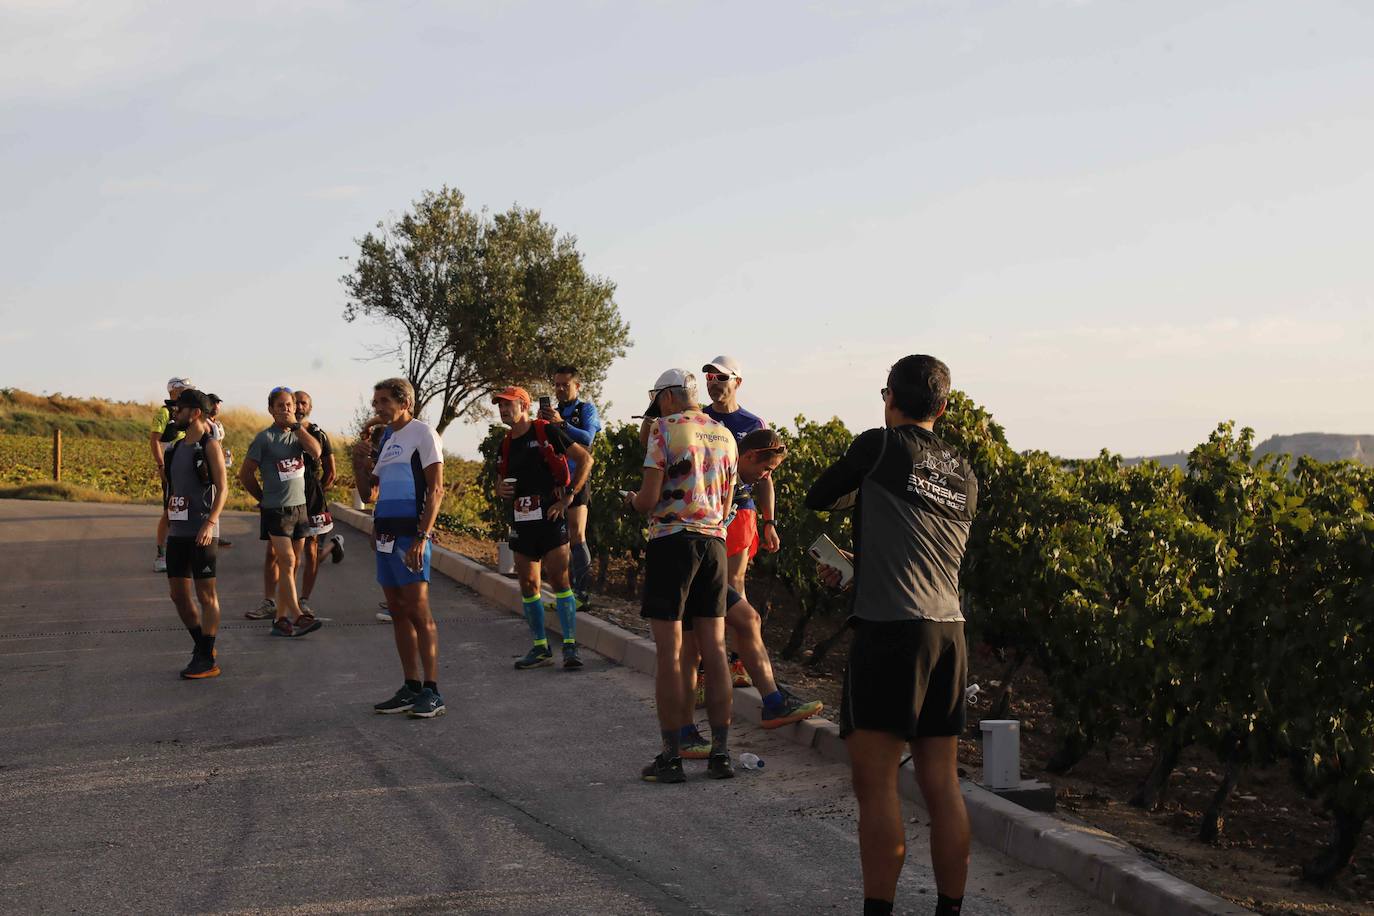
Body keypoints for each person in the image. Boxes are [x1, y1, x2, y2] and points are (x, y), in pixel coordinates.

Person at [804, 355, 978, 916]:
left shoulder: (878, 446)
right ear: (943, 407)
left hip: (889, 632)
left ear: (889, 398)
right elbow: (923, 549)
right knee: (942, 785)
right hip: (948, 634)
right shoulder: (964, 472)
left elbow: (818, 495)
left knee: (876, 787)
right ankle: (949, 910)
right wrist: (867, 559)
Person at [674, 429, 824, 759]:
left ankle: (771, 703)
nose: (766, 477)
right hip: (691, 567)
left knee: (746, 621)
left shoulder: (740, 482)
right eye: (766, 470)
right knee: (693, 651)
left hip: (704, 569)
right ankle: (684, 735)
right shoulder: (721, 473)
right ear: (750, 456)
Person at [626, 369, 738, 783]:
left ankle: (671, 756)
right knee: (715, 649)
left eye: (657, 400)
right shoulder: (724, 434)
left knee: (671, 654)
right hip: (714, 543)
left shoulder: (664, 429)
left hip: (672, 541)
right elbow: (727, 500)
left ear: (669, 398)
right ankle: (721, 754)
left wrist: (632, 501)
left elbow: (649, 498)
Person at [355, 377, 446, 719]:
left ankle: (433, 691)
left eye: (382, 400)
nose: (376, 407)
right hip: (385, 535)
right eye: (375, 401)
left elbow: (436, 490)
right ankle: (411, 686)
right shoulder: (388, 438)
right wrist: (359, 462)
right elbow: (369, 495)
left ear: (403, 402)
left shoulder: (423, 434)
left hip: (411, 535)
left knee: (419, 611)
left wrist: (423, 537)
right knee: (396, 610)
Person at [494, 386, 594, 670]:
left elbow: (585, 459)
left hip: (550, 519)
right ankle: (540, 647)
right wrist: (500, 488)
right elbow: (501, 481)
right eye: (499, 405)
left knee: (561, 582)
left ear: (524, 405)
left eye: (507, 404)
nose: (502, 409)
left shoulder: (545, 431)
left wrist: (569, 496)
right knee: (528, 585)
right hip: (522, 523)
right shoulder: (505, 443)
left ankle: (571, 646)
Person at [701, 356, 779, 689]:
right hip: (705, 512)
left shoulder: (753, 422)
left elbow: (765, 477)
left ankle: (736, 661)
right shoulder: (699, 418)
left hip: (742, 510)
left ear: (737, 382)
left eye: (721, 377)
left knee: (734, 582)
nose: (714, 382)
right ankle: (707, 662)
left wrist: (769, 521)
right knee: (708, 587)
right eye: (709, 376)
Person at [239, 386, 324, 638]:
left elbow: (317, 452)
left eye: (290, 405)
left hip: (300, 508)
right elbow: (245, 474)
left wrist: (297, 427)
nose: (287, 409)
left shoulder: (300, 435)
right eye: (281, 406)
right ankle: (298, 616)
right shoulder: (264, 438)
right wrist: (263, 498)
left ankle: (280, 620)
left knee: (292, 566)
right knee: (286, 561)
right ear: (271, 410)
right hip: (276, 509)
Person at [162, 388, 228, 679]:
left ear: (195, 413)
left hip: (203, 531)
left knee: (206, 594)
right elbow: (173, 490)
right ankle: (202, 646)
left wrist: (210, 523)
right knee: (178, 595)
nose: (175, 413)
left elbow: (223, 489)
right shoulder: (173, 449)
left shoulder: (209, 445)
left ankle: (206, 657)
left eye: (180, 409)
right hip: (178, 531)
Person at [538, 366, 602, 608]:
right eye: (556, 385)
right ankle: (564, 595)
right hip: (554, 482)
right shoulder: (553, 411)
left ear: (577, 386)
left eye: (565, 384)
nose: (560, 389)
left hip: (577, 480)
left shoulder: (586, 409)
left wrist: (561, 423)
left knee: (577, 536)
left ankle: (582, 595)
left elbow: (588, 438)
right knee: (557, 541)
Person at [294, 390, 346, 617]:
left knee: (311, 550)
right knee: (288, 552)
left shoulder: (318, 434)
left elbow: (331, 473)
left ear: (310, 408)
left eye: (303, 403)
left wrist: (316, 491)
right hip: (288, 498)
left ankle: (304, 599)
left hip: (313, 497)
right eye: (294, 402)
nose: (298, 406)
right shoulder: (280, 432)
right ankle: (284, 598)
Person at [150, 377, 192, 571]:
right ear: (173, 391)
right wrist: (161, 467)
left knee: (186, 509)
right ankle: (160, 556)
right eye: (183, 389)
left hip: (185, 466)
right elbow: (154, 441)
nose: (186, 392)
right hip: (170, 467)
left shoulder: (187, 412)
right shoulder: (164, 412)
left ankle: (183, 554)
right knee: (169, 511)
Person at [205, 394, 233, 548]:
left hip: (219, 462)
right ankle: (211, 533)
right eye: (213, 403)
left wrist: (226, 454)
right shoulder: (204, 422)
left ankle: (215, 534)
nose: (216, 406)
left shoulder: (218, 424)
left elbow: (219, 443)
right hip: (209, 465)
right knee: (211, 499)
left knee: (218, 498)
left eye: (218, 403)